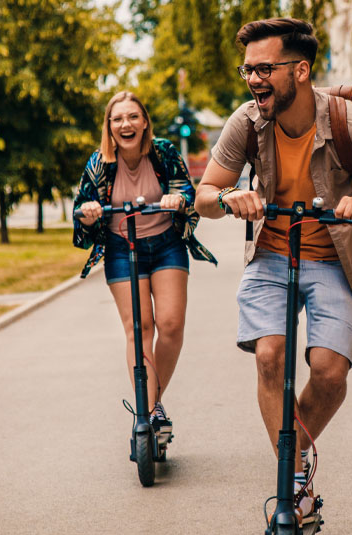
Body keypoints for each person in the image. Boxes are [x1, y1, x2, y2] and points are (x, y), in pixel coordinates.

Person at [194, 17, 352, 515]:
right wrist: (229, 196)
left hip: (332, 260)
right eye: (247, 69)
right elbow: (203, 196)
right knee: (270, 355)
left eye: (265, 68)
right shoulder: (245, 122)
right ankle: (292, 482)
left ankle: (295, 454)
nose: (253, 79)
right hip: (270, 255)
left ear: (302, 70)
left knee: (330, 374)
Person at [73, 90, 216, 442]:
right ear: (109, 126)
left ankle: (152, 405)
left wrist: (177, 199)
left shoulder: (163, 152)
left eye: (133, 116)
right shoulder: (98, 165)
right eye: (118, 118)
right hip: (123, 248)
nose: (126, 124)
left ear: (145, 122)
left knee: (170, 324)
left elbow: (189, 195)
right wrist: (89, 216)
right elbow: (80, 220)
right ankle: (149, 414)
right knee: (140, 328)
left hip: (166, 245)